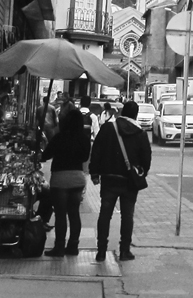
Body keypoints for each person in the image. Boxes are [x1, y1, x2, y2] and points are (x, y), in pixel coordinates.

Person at [90, 99, 152, 263]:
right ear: (136, 114)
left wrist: (94, 173)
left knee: (105, 215)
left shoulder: (108, 128)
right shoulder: (140, 133)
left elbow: (96, 150)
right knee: (127, 215)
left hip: (109, 179)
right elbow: (146, 159)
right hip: (130, 182)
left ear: (123, 112)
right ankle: (125, 250)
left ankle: (101, 251)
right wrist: (141, 174)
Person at [41, 108, 90, 256]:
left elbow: (45, 155)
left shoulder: (59, 137)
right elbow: (84, 158)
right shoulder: (84, 138)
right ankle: (73, 246)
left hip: (60, 179)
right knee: (74, 214)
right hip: (78, 178)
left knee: (61, 214)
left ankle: (59, 247)